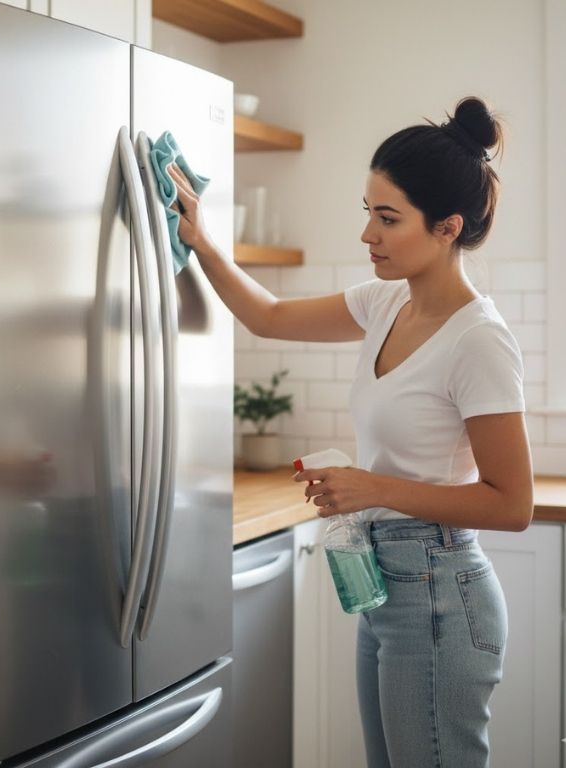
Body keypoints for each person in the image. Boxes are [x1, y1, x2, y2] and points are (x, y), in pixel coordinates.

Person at [170, 96, 533, 767]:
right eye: (366, 210)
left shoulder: (478, 341)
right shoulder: (385, 300)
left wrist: (371, 487)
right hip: (388, 582)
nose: (368, 234)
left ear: (448, 226)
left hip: (440, 591)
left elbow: (511, 504)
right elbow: (269, 316)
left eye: (388, 218)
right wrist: (200, 240)